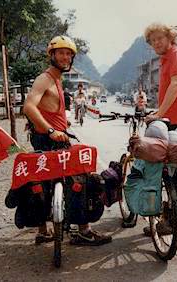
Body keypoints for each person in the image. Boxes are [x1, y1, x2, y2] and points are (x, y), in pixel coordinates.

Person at [23, 35, 112, 246]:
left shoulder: (57, 79)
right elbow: (28, 107)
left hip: (55, 136)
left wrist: (62, 125)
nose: (65, 57)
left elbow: (49, 109)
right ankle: (83, 230)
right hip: (48, 139)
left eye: (69, 54)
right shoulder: (44, 78)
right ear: (51, 55)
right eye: (61, 53)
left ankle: (43, 231)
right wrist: (52, 129)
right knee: (79, 179)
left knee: (43, 181)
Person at [144, 23, 177, 229]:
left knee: (169, 171)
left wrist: (159, 114)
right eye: (153, 40)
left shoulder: (175, 55)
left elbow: (176, 85)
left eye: (160, 38)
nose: (156, 43)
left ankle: (169, 221)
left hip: (175, 122)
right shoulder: (167, 59)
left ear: (170, 38)